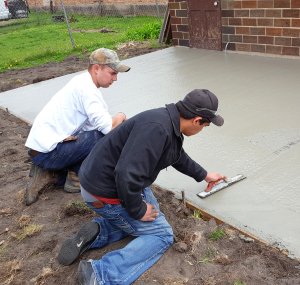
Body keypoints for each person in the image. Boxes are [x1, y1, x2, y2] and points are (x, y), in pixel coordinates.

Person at [57, 89, 226, 285]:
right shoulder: (157, 130)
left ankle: (100, 231)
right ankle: (101, 274)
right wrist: (137, 210)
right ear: (197, 120)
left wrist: (204, 175)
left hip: (108, 182)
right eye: (205, 125)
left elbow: (176, 155)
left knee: (151, 217)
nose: (203, 129)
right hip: (106, 192)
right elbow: (125, 174)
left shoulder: (167, 121)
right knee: (161, 235)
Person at [24, 48, 130, 206]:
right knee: (100, 137)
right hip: (46, 153)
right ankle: (55, 171)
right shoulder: (88, 91)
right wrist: (121, 116)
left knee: (92, 139)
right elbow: (109, 129)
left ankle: (66, 177)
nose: (115, 79)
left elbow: (91, 124)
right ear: (96, 68)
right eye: (113, 73)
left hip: (44, 149)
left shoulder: (81, 82)